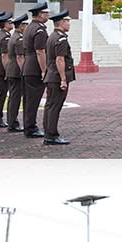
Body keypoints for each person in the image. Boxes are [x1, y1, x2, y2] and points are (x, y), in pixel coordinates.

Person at [44, 10, 74, 145]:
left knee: (50, 106)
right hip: (56, 77)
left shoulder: (52, 36)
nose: (69, 24)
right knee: (55, 106)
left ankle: (49, 133)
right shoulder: (60, 38)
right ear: (61, 23)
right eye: (67, 21)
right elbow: (60, 60)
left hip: (51, 75)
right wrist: (63, 79)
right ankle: (51, 135)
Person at [22, 2, 50, 138]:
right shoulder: (39, 29)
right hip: (35, 67)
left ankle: (29, 125)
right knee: (33, 100)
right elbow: (40, 51)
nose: (48, 15)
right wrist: (44, 70)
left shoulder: (29, 27)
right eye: (46, 13)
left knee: (29, 100)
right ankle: (31, 127)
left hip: (29, 65)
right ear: (40, 14)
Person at [4, 14, 28, 131]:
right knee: (15, 98)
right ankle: (12, 123)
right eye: (25, 24)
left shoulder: (14, 36)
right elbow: (20, 57)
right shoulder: (19, 38)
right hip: (16, 71)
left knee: (13, 97)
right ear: (21, 26)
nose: (26, 26)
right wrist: (24, 72)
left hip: (12, 70)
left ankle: (11, 121)